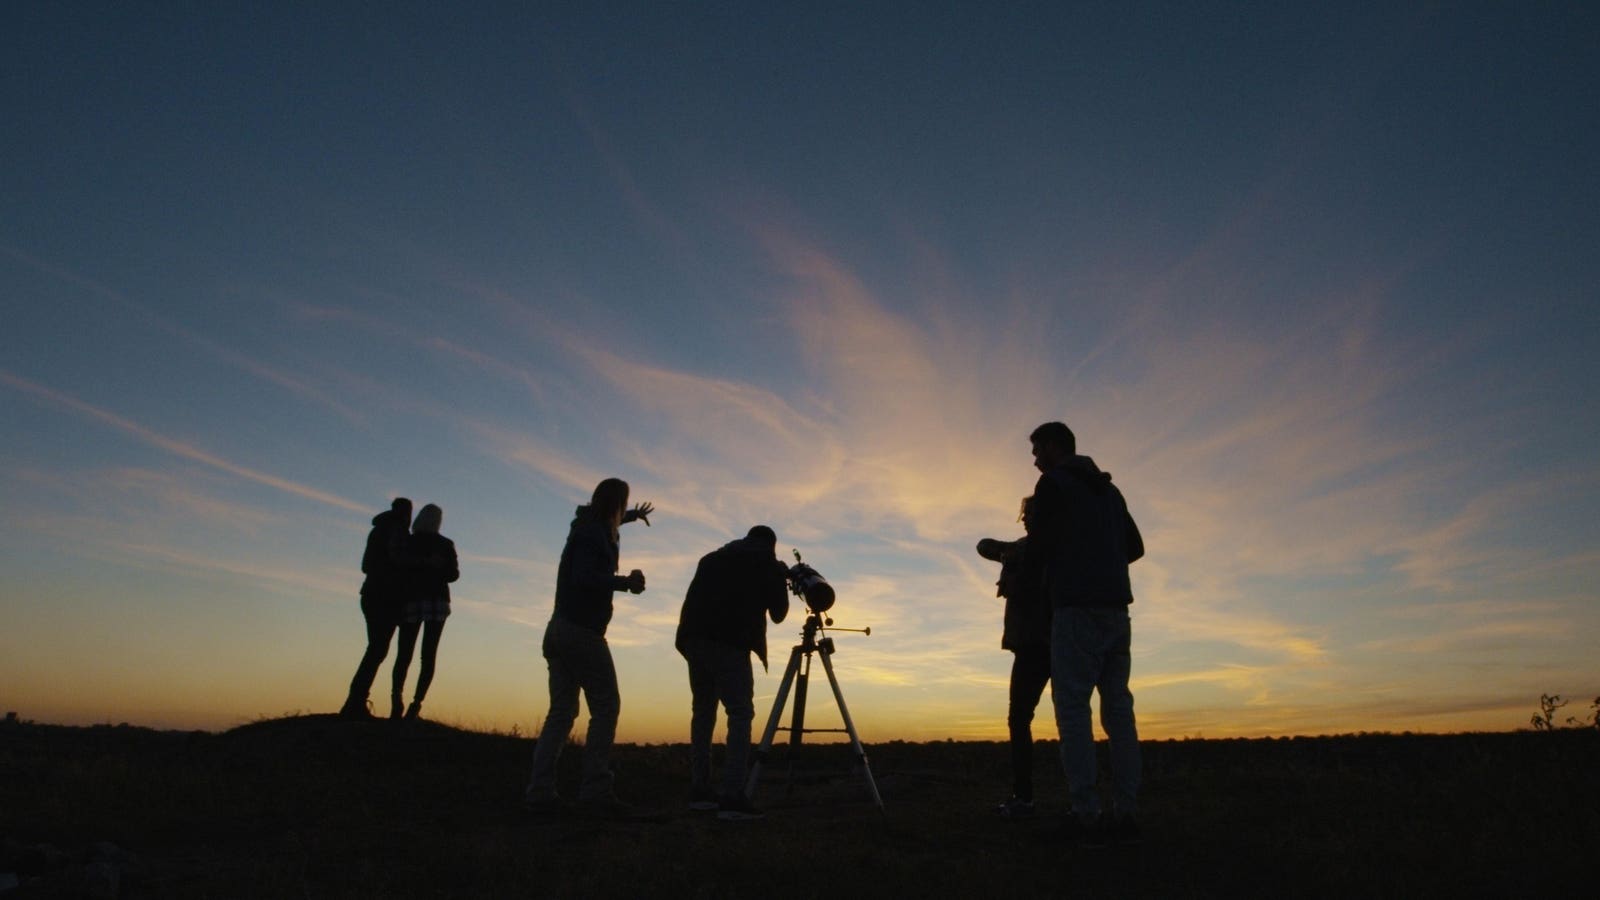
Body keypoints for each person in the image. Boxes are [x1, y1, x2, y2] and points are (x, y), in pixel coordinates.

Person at [1026, 421, 1145, 844]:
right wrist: (1101, 554)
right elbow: (1134, 547)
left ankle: (1085, 813)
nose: (1036, 461)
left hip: (1075, 609)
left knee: (1073, 711)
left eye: (1038, 450)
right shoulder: (1109, 492)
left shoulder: (1053, 486)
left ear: (1057, 447)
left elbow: (1039, 546)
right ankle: (1127, 812)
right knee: (1119, 713)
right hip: (1117, 611)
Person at [524, 479, 653, 817]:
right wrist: (624, 582)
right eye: (623, 505)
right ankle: (595, 789)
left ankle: (540, 792)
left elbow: (602, 524)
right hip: (580, 631)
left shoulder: (587, 526)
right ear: (616, 503)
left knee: (562, 713)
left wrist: (631, 518)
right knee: (606, 706)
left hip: (559, 630)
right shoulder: (592, 534)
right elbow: (584, 577)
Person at [674, 525, 790, 821]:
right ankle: (732, 796)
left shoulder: (712, 558)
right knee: (739, 714)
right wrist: (779, 576)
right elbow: (778, 614)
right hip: (729, 643)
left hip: (693, 640)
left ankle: (700, 792)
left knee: (703, 713)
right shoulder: (766, 563)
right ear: (771, 545)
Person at [976, 495, 1051, 819]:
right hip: (1047, 644)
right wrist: (1006, 553)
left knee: (1021, 719)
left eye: (1031, 514)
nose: (1025, 519)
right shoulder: (1026, 548)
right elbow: (984, 545)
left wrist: (1010, 555)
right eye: (1025, 514)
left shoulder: (1030, 549)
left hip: (1037, 645)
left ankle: (1025, 798)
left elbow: (986, 546)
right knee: (1039, 719)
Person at [340, 497, 413, 719]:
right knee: (377, 650)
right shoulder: (398, 530)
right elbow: (400, 561)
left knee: (376, 649)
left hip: (370, 593)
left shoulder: (378, 531)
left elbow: (365, 565)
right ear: (406, 513)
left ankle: (355, 701)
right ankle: (355, 702)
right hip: (386, 597)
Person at [390, 503, 459, 722]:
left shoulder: (409, 542)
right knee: (428, 656)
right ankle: (415, 704)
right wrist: (436, 566)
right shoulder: (445, 544)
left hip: (412, 600)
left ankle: (396, 699)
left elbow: (399, 568)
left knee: (404, 653)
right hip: (437, 603)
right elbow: (454, 575)